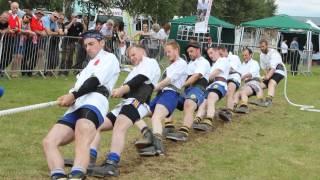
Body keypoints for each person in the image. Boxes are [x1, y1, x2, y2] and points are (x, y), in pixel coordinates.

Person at [42, 30, 120, 180]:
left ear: (102, 42)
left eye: (91, 44)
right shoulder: (88, 65)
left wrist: (73, 95)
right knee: (49, 142)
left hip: (95, 100)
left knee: (82, 131)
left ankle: (77, 175)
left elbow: (95, 82)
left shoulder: (109, 58)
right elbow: (78, 88)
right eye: (86, 45)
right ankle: (58, 175)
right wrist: (69, 97)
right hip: (77, 104)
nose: (88, 48)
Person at [89, 44, 161, 177]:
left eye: (134, 54)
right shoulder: (135, 69)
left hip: (138, 102)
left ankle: (112, 164)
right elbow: (126, 90)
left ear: (142, 51)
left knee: (119, 126)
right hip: (125, 104)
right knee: (96, 124)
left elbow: (140, 80)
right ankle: (89, 159)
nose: (132, 58)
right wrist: (110, 91)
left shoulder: (150, 62)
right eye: (129, 57)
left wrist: (121, 90)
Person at [134, 40, 188, 156]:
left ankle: (157, 147)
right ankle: (148, 135)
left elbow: (169, 80)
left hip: (171, 94)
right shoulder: (171, 66)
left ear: (176, 50)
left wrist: (151, 88)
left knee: (156, 117)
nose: (167, 54)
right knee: (134, 113)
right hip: (161, 95)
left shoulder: (181, 63)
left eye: (169, 52)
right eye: (166, 52)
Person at [165, 41, 210, 141]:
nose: (189, 53)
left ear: (198, 50)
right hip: (187, 90)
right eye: (188, 52)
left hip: (198, 88)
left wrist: (181, 85)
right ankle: (168, 126)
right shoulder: (189, 64)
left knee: (189, 103)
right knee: (169, 98)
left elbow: (196, 76)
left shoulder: (203, 62)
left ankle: (183, 133)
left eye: (191, 51)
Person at [192, 47, 230, 132]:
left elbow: (216, 73)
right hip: (210, 86)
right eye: (209, 54)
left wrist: (202, 80)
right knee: (203, 103)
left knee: (211, 98)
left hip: (220, 84)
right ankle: (197, 120)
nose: (210, 55)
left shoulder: (223, 60)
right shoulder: (213, 64)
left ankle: (208, 122)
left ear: (217, 51)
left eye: (211, 52)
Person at [251, 39, 285, 107]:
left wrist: (267, 77)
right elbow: (264, 68)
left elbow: (273, 68)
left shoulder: (274, 53)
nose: (261, 48)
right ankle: (260, 99)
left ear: (267, 46)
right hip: (270, 72)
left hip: (279, 71)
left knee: (271, 82)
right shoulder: (261, 56)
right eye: (260, 47)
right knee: (259, 85)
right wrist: (266, 76)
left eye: (263, 46)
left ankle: (269, 101)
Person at [233, 48, 264, 114]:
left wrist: (241, 78)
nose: (244, 57)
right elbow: (238, 73)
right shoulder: (242, 65)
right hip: (246, 84)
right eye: (243, 55)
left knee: (243, 92)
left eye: (246, 55)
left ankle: (244, 106)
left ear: (250, 55)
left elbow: (250, 74)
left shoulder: (254, 63)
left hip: (254, 83)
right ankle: (232, 107)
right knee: (236, 94)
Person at [217, 46, 242, 122]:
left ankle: (229, 113)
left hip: (234, 76)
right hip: (224, 79)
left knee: (230, 92)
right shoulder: (220, 60)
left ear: (225, 50)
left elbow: (231, 68)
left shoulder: (234, 57)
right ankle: (227, 108)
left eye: (221, 54)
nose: (220, 56)